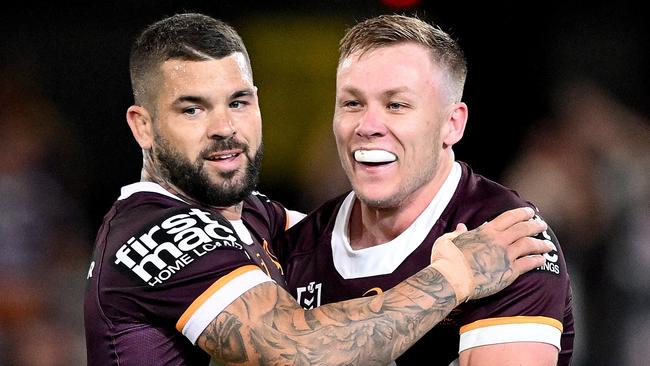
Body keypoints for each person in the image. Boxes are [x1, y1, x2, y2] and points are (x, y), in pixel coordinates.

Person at [83, 13, 552, 365]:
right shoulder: (154, 230)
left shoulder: (254, 218)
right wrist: (455, 278)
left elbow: (363, 244)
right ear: (142, 127)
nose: (225, 127)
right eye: (192, 110)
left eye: (239, 102)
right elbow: (294, 348)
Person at [276, 14, 575, 366]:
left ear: (452, 125)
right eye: (352, 103)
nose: (368, 125)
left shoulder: (508, 240)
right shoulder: (296, 245)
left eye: (396, 105)